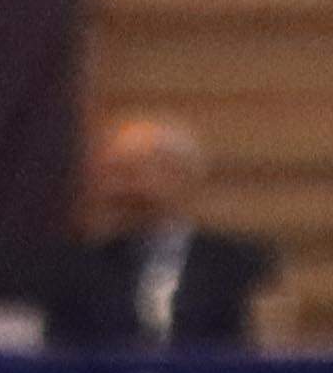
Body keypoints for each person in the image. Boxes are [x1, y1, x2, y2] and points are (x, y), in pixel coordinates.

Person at [39, 116, 283, 349]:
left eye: (129, 174)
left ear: (178, 176)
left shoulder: (240, 263)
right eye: (108, 176)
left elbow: (263, 351)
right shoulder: (77, 268)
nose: (117, 190)